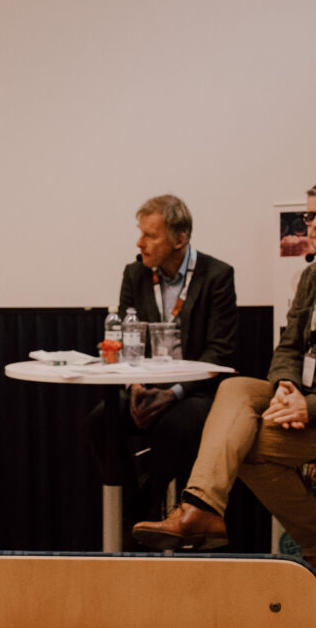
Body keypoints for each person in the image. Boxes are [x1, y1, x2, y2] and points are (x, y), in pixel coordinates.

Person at [131, 178, 316, 582]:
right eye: (310, 216)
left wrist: (312, 406)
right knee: (234, 387)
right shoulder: (313, 276)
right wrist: (287, 385)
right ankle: (202, 507)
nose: (315, 224)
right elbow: (289, 346)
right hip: (312, 397)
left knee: (247, 446)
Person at [86, 194, 238, 535]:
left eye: (150, 235)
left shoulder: (217, 275)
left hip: (196, 391)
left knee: (174, 427)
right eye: (140, 233)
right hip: (145, 385)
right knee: (100, 421)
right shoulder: (135, 273)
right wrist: (135, 387)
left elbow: (221, 351)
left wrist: (175, 393)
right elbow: (124, 340)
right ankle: (130, 507)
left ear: (179, 240)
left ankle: (150, 508)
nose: (140, 243)